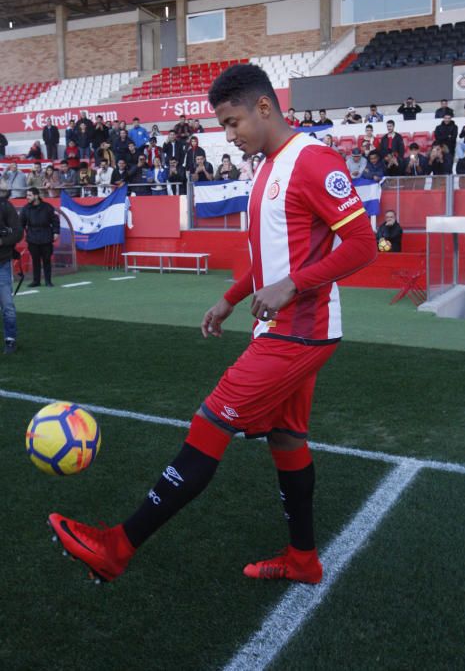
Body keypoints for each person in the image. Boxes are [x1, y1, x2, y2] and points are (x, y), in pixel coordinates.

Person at [47, 63, 376, 586]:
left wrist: (293, 286)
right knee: (287, 439)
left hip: (300, 329)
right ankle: (303, 559)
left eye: (232, 122)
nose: (228, 136)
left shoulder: (313, 161)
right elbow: (269, 258)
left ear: (263, 107)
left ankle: (117, 547)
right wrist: (228, 299)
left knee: (210, 423)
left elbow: (363, 242)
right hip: (286, 327)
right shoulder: (267, 167)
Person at [20, 187, 60, 287]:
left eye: (29, 195)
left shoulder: (47, 207)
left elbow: (55, 220)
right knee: (35, 260)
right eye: (27, 195)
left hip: (46, 237)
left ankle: (48, 281)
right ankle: (36, 281)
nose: (27, 197)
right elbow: (21, 223)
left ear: (36, 196)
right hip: (32, 238)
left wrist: (56, 232)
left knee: (47, 260)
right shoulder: (25, 209)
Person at [0, 183, 23, 354]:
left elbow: (18, 232)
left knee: (7, 305)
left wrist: (2, 241)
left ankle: (10, 339)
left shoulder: (6, 207)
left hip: (2, 262)